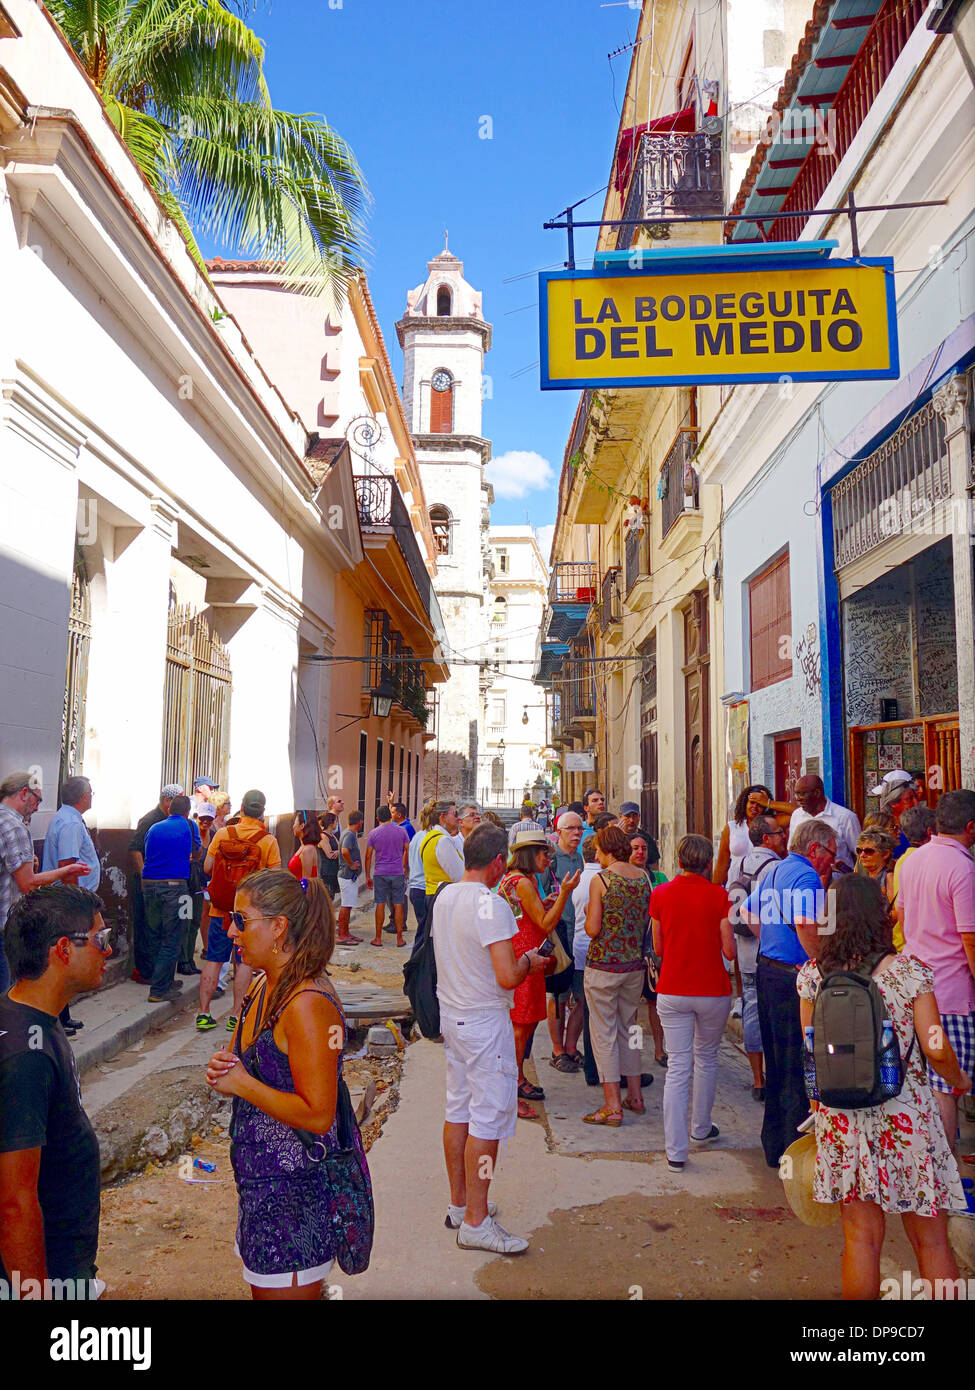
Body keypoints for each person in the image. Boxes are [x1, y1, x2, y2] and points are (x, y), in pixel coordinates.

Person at [797, 875, 969, 1299]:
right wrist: (959, 1080)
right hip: (906, 1114)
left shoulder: (812, 977)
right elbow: (935, 1046)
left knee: (861, 1240)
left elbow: (811, 1053)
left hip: (842, 1118)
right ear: (882, 916)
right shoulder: (909, 972)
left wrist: (819, 1109)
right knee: (930, 1239)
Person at [205, 870, 359, 1299]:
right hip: (260, 1188)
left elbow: (318, 1113)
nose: (229, 929)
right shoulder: (259, 986)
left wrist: (241, 1084)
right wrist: (228, 1067)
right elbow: (253, 1066)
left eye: (241, 918)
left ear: (277, 927)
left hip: (294, 1199)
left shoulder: (308, 1005)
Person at [432, 823, 547, 1255]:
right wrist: (529, 963)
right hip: (483, 1021)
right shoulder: (491, 905)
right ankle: (477, 1222)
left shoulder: (445, 896)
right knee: (487, 1121)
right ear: (498, 861)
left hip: (454, 1016)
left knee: (459, 1109)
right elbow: (505, 976)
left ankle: (461, 1205)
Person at [0, 884, 111, 1298]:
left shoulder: (34, 1019)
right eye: (101, 939)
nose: (109, 951)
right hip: (47, 1273)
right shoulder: (23, 1057)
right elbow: (14, 1200)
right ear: (64, 949)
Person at [741, 818, 837, 1167]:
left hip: (768, 970)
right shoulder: (807, 876)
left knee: (778, 1063)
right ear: (814, 849)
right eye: (830, 853)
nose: (832, 861)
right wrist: (818, 965)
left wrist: (771, 943)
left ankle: (775, 1145)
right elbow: (806, 925)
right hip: (791, 981)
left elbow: (746, 910)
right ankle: (795, 1151)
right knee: (799, 1064)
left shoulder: (776, 870)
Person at [897, 789, 975, 1162]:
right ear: (970, 827)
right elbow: (970, 938)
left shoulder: (912, 861)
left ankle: (929, 1169)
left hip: (915, 989)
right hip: (951, 996)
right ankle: (947, 1176)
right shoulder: (962, 868)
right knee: (946, 1087)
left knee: (925, 1085)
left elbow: (904, 919)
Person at [649, 835, 733, 1168]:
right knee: (707, 1058)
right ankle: (700, 1127)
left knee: (677, 1067)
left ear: (679, 861)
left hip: (673, 988)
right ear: (708, 862)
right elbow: (728, 950)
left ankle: (675, 1151)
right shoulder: (720, 895)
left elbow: (658, 948)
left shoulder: (661, 893)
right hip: (713, 989)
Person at [498, 831, 579, 1118]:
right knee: (521, 1026)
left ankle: (517, 1078)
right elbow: (545, 924)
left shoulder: (523, 880)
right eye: (544, 853)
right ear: (530, 855)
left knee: (526, 1022)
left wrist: (546, 903)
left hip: (526, 956)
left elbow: (529, 914)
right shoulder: (521, 883)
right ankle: (512, 1087)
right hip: (525, 959)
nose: (548, 858)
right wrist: (565, 895)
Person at [580, 824, 651, 1126]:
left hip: (603, 966)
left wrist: (587, 913)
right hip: (633, 966)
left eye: (597, 849)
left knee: (604, 1034)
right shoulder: (644, 878)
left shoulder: (602, 880)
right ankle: (634, 1094)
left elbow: (593, 929)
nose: (596, 854)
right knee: (630, 1029)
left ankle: (612, 1104)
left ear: (607, 850)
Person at [196, 791, 280, 1033]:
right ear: (262, 811)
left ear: (241, 808)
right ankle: (236, 1016)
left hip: (220, 910)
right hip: (249, 915)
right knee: (243, 962)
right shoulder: (267, 840)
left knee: (214, 959)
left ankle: (203, 1013)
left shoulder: (223, 834)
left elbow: (207, 867)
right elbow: (275, 879)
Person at [1, 772, 90, 996]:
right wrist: (67, 870)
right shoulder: (14, 826)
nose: (38, 808)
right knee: (8, 998)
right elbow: (28, 884)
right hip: (4, 926)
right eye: (37, 800)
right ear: (23, 793)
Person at [729, 813, 786, 1100]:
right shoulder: (775, 868)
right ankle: (775, 1075)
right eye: (778, 833)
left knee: (751, 1013)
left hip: (745, 949)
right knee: (774, 1015)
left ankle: (757, 1079)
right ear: (766, 838)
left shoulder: (739, 862)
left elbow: (732, 906)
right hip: (769, 954)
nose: (783, 837)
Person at [41, 776, 102, 1035]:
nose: (92, 796)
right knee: (63, 959)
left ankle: (63, 1016)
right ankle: (57, 1018)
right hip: (68, 901)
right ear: (83, 796)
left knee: (65, 959)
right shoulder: (69, 823)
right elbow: (68, 867)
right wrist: (77, 903)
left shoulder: (70, 818)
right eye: (91, 792)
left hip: (67, 898)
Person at [141, 794, 201, 1004]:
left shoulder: (154, 828)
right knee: (175, 936)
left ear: (169, 810)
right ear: (186, 812)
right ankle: (159, 990)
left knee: (156, 935)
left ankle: (163, 981)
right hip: (177, 888)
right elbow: (197, 853)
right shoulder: (190, 826)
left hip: (149, 888)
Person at [538, 809, 584, 1072]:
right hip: (560, 934)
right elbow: (538, 894)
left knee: (581, 996)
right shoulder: (550, 860)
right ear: (559, 832)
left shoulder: (580, 858)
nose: (576, 833)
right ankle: (557, 1051)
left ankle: (571, 1047)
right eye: (571, 829)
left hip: (581, 935)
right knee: (559, 995)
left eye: (579, 829)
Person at [128, 783, 184, 985]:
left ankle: (160, 975)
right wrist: (145, 879)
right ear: (167, 801)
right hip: (149, 884)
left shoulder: (170, 821)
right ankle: (145, 972)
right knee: (148, 929)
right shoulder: (150, 820)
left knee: (162, 929)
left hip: (163, 884)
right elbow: (135, 850)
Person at [629, 833, 668, 1068]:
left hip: (655, 949)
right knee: (632, 1008)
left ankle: (658, 1049)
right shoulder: (622, 878)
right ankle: (634, 1054)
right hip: (631, 949)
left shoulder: (660, 878)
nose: (640, 852)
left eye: (643, 848)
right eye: (635, 848)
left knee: (655, 1002)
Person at [714, 784, 793, 887]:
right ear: (745, 803)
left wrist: (769, 803)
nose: (754, 807)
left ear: (765, 808)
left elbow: (798, 812)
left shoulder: (772, 824)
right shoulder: (732, 827)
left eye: (759, 804)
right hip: (736, 889)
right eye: (751, 802)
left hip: (765, 888)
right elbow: (721, 864)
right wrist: (714, 892)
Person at [570, 837, 603, 1084]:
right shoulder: (602, 880)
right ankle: (603, 1068)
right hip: (600, 954)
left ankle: (590, 1064)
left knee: (586, 1009)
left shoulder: (579, 878)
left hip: (580, 950)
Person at [414, 802, 464, 949]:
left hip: (432, 894)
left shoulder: (429, 838)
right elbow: (458, 876)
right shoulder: (443, 840)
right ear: (443, 817)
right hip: (443, 896)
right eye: (454, 814)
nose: (457, 818)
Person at [789, 775, 861, 872]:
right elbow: (791, 850)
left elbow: (860, 853)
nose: (797, 799)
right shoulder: (796, 816)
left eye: (802, 794)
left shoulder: (845, 817)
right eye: (796, 794)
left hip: (838, 881)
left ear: (817, 793)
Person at [889, 804, 936, 948]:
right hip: (917, 945)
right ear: (930, 833)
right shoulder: (928, 859)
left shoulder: (903, 860)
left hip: (904, 942)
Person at [365, 805, 409, 948]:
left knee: (380, 904)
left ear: (378, 818)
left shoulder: (373, 833)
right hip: (397, 872)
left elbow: (368, 856)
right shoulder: (401, 831)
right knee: (398, 904)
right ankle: (399, 938)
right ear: (391, 816)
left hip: (380, 873)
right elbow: (407, 849)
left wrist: (367, 875)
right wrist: (404, 866)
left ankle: (378, 938)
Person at [180, 802, 216, 979]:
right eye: (203, 818)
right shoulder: (189, 831)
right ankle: (183, 960)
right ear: (197, 817)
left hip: (204, 886)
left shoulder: (215, 834)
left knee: (196, 920)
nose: (206, 822)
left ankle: (189, 960)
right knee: (184, 920)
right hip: (186, 884)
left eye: (209, 819)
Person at [406, 799, 437, 945]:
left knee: (423, 932)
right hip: (426, 889)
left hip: (415, 888)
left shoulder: (418, 836)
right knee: (427, 935)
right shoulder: (432, 838)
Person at [335, 810, 365, 945]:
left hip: (349, 876)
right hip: (347, 876)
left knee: (349, 905)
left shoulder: (350, 834)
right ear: (359, 822)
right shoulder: (349, 835)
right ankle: (342, 935)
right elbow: (345, 850)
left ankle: (346, 933)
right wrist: (352, 864)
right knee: (346, 905)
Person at [873, 771, 918, 857]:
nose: (916, 803)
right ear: (893, 802)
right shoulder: (881, 832)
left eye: (916, 797)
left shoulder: (922, 827)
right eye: (909, 799)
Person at [854, 828, 897, 902]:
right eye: (859, 851)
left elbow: (894, 910)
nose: (862, 855)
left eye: (869, 851)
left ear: (885, 854)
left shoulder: (890, 877)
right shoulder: (859, 875)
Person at [618, 802, 660, 870]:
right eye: (627, 816)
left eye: (634, 816)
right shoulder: (616, 838)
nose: (631, 820)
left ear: (639, 817)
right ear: (620, 816)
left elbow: (653, 864)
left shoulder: (647, 838)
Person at [289, 811, 323, 881]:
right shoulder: (303, 847)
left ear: (302, 826)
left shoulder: (308, 849)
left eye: (295, 823)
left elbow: (306, 881)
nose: (293, 826)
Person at [318, 812, 341, 902]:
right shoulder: (323, 836)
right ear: (331, 823)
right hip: (326, 873)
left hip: (333, 871)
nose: (337, 824)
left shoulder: (333, 836)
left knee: (331, 898)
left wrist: (338, 852)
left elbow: (340, 849)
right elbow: (330, 854)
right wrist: (338, 852)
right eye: (336, 822)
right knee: (327, 899)